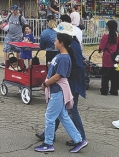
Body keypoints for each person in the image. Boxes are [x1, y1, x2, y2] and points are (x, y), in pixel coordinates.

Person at [34, 23, 88, 153]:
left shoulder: (64, 57)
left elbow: (58, 76)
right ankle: (79, 139)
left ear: (62, 42)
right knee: (63, 116)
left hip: (58, 90)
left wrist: (45, 83)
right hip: (57, 89)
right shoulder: (62, 55)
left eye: (56, 40)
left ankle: (48, 142)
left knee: (50, 116)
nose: (54, 41)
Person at [99, 20, 119, 96]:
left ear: (108, 27)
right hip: (116, 57)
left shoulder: (106, 36)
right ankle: (114, 90)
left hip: (107, 56)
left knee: (105, 74)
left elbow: (102, 46)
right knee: (115, 74)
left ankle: (104, 90)